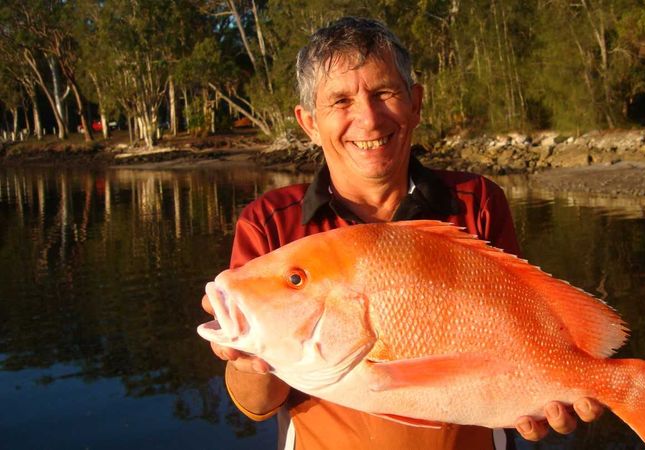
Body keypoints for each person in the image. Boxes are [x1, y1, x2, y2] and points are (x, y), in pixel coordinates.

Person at [202, 16, 603, 450]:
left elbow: (531, 322)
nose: (369, 120)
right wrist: (247, 360)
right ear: (309, 122)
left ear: (415, 103)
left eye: (384, 93)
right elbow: (258, 405)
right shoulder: (269, 223)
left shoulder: (476, 201)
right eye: (340, 101)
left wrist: (565, 386)